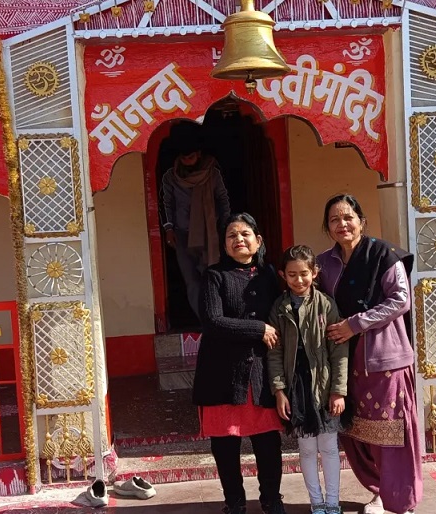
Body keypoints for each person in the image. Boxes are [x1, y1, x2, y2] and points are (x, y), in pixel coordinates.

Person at [316, 194, 422, 514]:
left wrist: (355, 324)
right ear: (328, 227)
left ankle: (398, 499)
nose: (342, 224)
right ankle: (379, 489)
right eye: (334, 219)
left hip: (383, 359)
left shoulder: (382, 255)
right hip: (344, 361)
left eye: (348, 217)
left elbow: (399, 300)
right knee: (356, 433)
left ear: (361, 221)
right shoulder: (324, 263)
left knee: (389, 432)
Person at [192, 213, 286, 514]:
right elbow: (213, 321)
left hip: (261, 372)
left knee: (268, 444)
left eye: (245, 234)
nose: (239, 240)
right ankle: (234, 502)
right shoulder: (214, 276)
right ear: (225, 244)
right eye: (232, 235)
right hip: (221, 374)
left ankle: (271, 498)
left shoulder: (270, 275)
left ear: (258, 241)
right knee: (225, 445)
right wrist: (258, 330)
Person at [267, 245, 348, 514]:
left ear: (315, 273)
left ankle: (333, 503)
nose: (298, 280)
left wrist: (338, 390)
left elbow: (339, 350)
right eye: (292, 275)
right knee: (306, 449)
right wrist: (279, 390)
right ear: (283, 275)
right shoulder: (279, 308)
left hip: (323, 385)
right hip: (297, 386)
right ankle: (317, 503)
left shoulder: (326, 304)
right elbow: (275, 352)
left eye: (304, 274)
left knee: (329, 447)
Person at [161, 121, 231, 319]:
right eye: (183, 157)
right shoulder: (170, 177)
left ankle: (217, 318)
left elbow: (223, 201)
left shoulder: (212, 173)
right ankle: (203, 321)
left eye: (191, 157)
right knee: (191, 281)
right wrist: (169, 229)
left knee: (212, 277)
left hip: (211, 235)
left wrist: (226, 228)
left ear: (199, 154)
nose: (187, 161)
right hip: (182, 236)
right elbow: (167, 204)